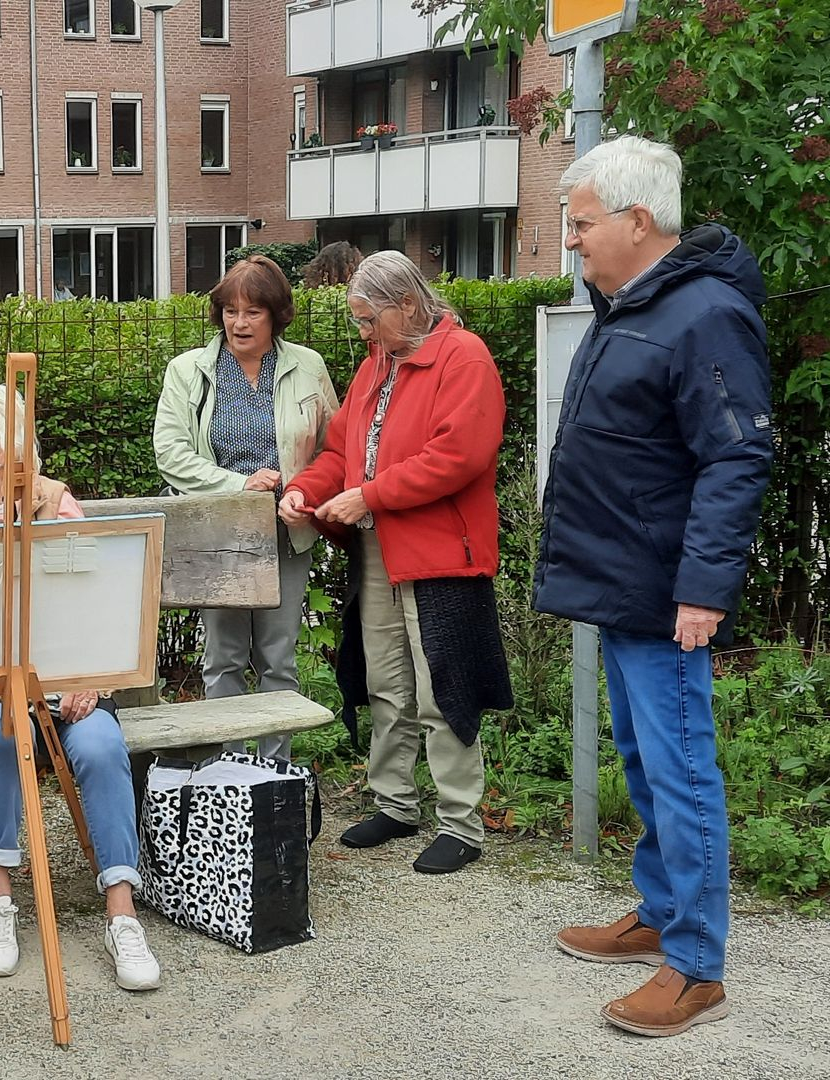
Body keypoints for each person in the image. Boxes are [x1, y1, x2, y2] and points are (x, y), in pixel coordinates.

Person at [538, 136, 771, 1038]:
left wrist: (704, 590)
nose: (570, 240)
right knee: (645, 761)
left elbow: (736, 454)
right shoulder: (634, 302)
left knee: (680, 774)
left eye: (583, 223)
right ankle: (661, 913)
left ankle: (698, 966)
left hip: (669, 594)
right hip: (625, 584)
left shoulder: (702, 313)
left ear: (639, 221)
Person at [0, 382, 162, 992]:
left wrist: (87, 677)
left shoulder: (54, 504)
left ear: (5, 446)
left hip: (64, 682)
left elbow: (91, 602)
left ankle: (122, 913)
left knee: (97, 744)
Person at [280, 251, 512, 875]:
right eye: (358, 320)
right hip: (381, 543)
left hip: (441, 550)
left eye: (367, 319)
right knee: (386, 679)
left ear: (406, 304)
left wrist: (368, 495)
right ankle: (395, 802)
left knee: (444, 686)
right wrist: (308, 490)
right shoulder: (376, 366)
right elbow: (341, 451)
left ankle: (460, 823)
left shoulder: (464, 357)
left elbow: (459, 455)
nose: (362, 333)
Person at [154, 255, 339, 761]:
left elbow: (335, 446)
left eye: (253, 311)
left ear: (276, 315)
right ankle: (227, 770)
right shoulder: (188, 370)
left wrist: (307, 495)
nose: (239, 323)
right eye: (230, 311)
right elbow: (170, 452)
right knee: (224, 658)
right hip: (220, 532)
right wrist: (239, 483)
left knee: (278, 657)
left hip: (288, 530)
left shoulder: (308, 366)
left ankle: (274, 772)